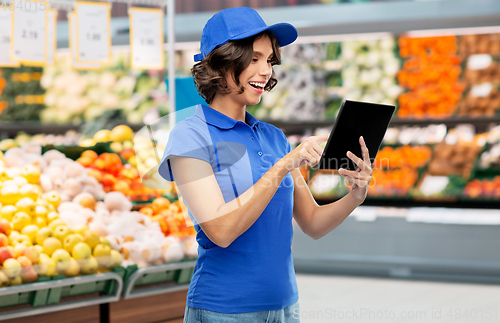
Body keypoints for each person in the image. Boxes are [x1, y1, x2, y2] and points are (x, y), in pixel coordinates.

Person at [158, 6, 373, 323]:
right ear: (223, 61)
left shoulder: (273, 138)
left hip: (285, 306)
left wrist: (356, 194)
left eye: (269, 60)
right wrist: (284, 165)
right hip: (224, 310)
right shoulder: (190, 138)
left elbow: (312, 222)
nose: (266, 70)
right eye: (255, 58)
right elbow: (220, 230)